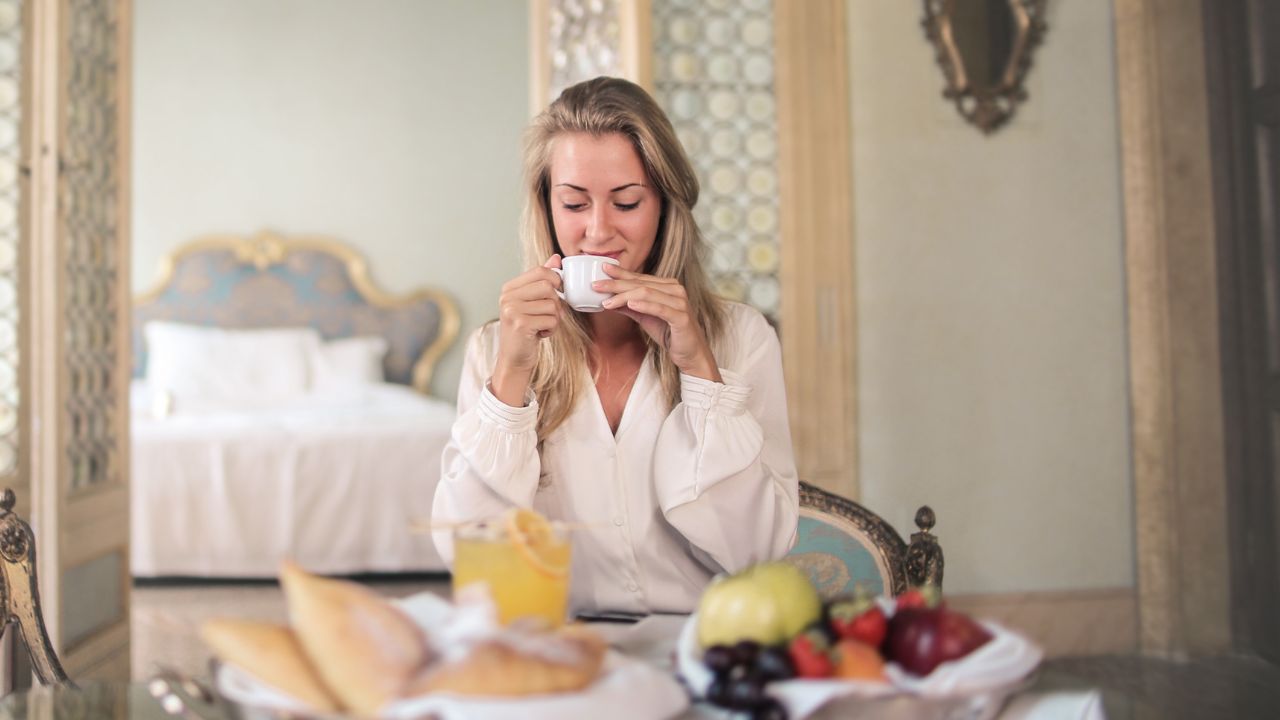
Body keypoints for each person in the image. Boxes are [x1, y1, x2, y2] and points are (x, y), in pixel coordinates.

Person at [432, 76, 798, 615]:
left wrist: (698, 369)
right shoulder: (495, 348)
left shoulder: (741, 339)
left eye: (626, 202)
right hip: (561, 652)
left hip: (703, 649)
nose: (599, 233)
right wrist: (510, 376)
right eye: (575, 204)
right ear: (547, 208)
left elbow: (757, 552)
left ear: (665, 207)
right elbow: (466, 556)